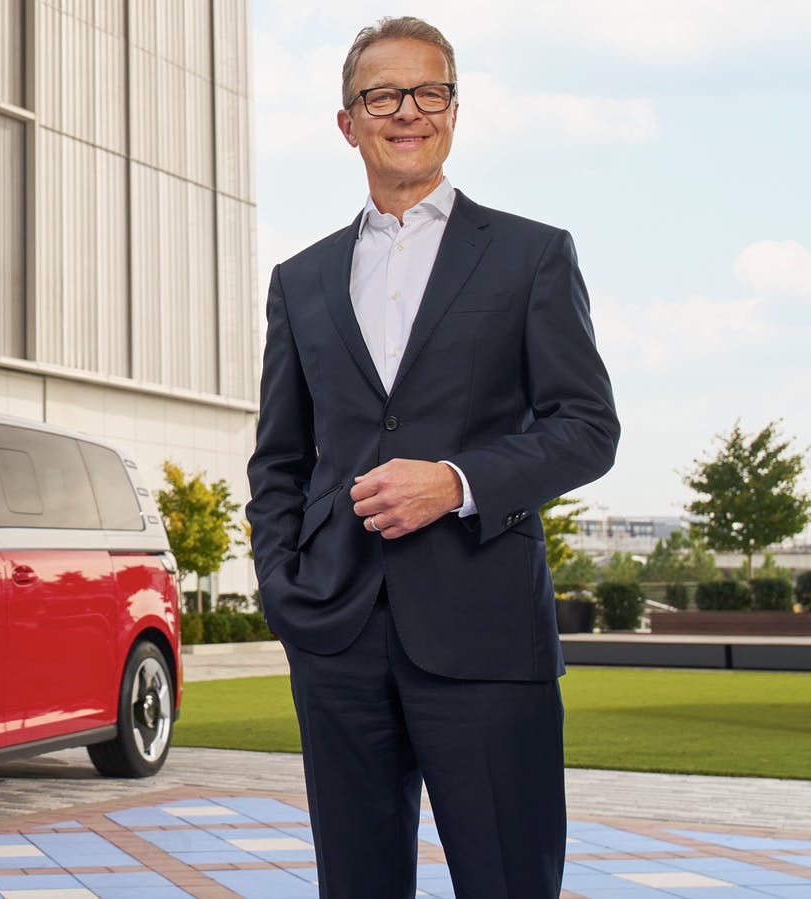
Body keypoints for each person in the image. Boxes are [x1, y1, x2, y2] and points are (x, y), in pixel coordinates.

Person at [245, 16, 619, 898]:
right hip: (336, 633)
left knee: (508, 879)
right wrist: (283, 588)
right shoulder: (301, 279)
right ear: (349, 122)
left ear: (454, 111)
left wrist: (456, 483)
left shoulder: (532, 254)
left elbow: (587, 427)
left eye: (428, 91)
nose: (407, 110)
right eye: (382, 95)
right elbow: (279, 460)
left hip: (487, 630)